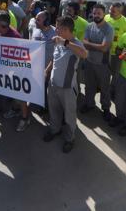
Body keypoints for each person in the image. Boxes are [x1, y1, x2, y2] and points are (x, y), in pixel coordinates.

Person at [43, 16, 88, 153]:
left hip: (67, 88)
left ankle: (69, 138)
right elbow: (54, 58)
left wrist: (65, 42)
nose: (55, 29)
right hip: (53, 84)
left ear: (66, 29)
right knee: (54, 110)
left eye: (57, 27)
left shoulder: (75, 43)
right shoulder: (58, 40)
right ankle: (55, 129)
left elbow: (84, 54)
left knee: (69, 115)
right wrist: (47, 70)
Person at [0, 10, 30, 131]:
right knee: (14, 94)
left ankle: (25, 118)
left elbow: (22, 59)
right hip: (8, 70)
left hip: (18, 71)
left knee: (20, 96)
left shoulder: (15, 37)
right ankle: (15, 109)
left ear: (0, 24)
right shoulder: (1, 32)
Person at [80, 4, 114, 121]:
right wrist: (97, 46)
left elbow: (104, 48)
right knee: (89, 86)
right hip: (89, 61)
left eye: (99, 13)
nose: (96, 15)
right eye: (94, 13)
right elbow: (83, 43)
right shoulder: (89, 26)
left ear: (104, 14)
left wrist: (90, 45)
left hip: (102, 64)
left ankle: (106, 108)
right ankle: (89, 104)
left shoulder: (109, 29)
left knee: (105, 88)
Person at [104, 3, 126, 99]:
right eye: (110, 10)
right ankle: (104, 88)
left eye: (113, 11)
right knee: (104, 72)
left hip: (116, 54)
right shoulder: (106, 18)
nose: (110, 12)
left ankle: (112, 91)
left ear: (120, 12)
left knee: (116, 75)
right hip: (105, 51)